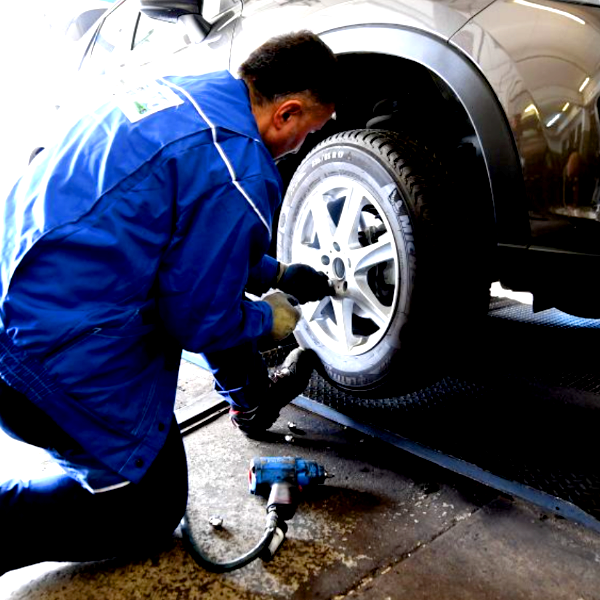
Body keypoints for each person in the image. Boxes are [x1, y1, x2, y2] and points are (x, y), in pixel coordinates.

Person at [0, 30, 337, 574]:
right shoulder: (242, 170)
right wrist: (265, 318)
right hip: (44, 366)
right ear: (288, 113)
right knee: (149, 505)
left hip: (22, 303)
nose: (303, 144)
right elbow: (200, 320)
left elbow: (182, 233)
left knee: (210, 304)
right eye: (310, 130)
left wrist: (274, 271)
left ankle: (246, 402)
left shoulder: (186, 94)